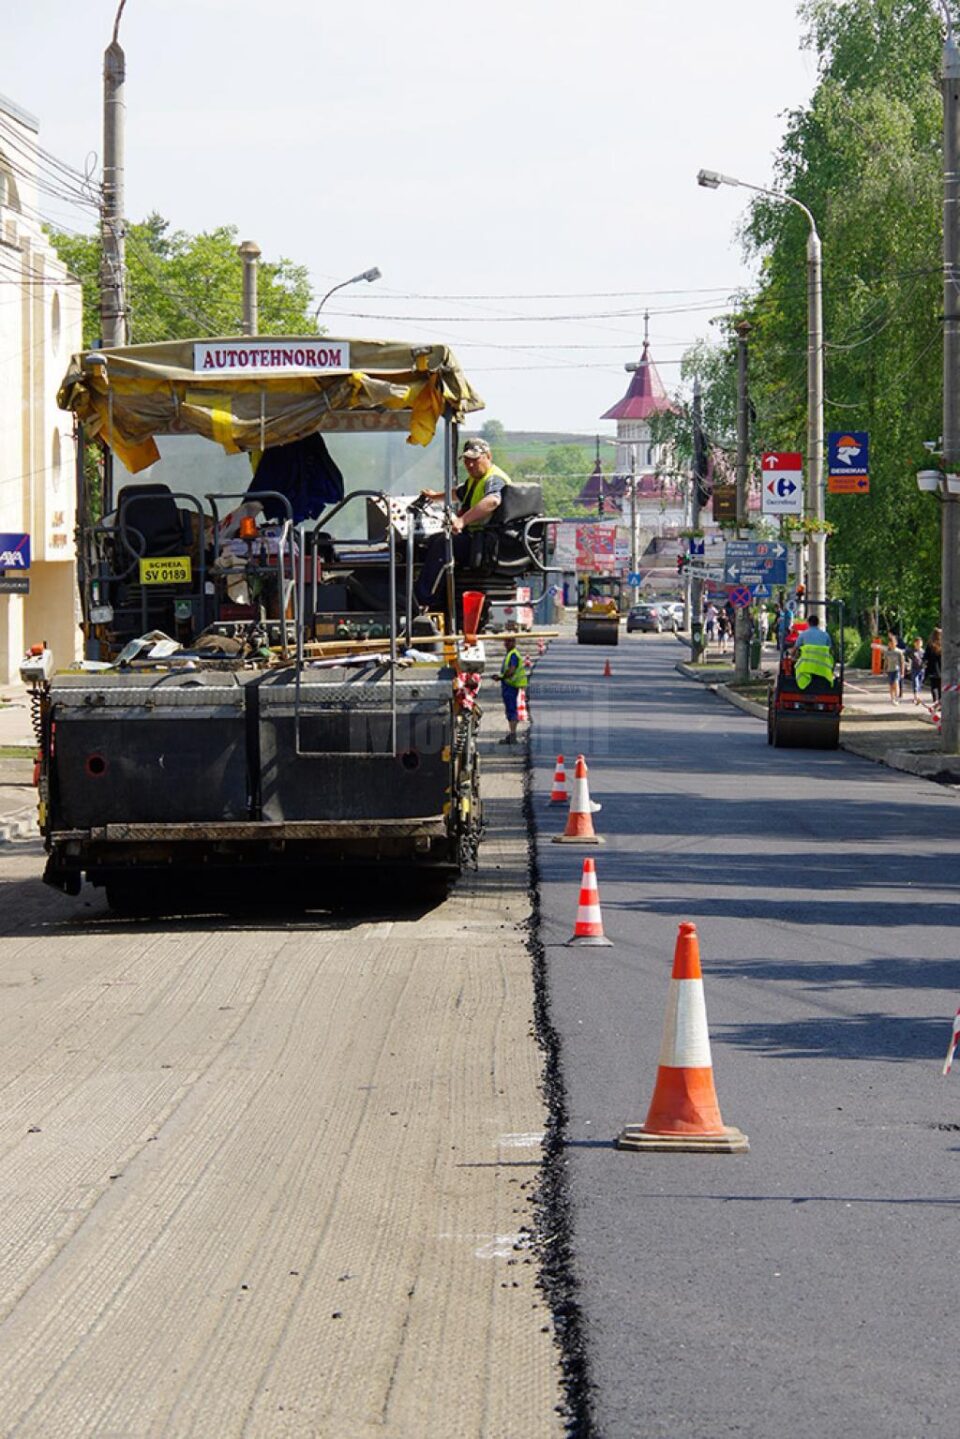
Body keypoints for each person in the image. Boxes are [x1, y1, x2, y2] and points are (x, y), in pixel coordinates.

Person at [413, 438, 512, 609]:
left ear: (488, 456)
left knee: (443, 544)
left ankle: (422, 599)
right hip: (476, 539)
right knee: (428, 542)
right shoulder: (475, 480)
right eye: (467, 460)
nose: (470, 465)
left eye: (475, 459)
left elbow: (493, 500)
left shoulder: (494, 479)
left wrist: (462, 520)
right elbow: (458, 493)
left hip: (487, 544)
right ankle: (436, 598)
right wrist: (434, 496)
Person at [792, 611, 835, 690]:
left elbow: (794, 650)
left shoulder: (803, 634)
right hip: (823, 669)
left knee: (794, 666)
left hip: (806, 668)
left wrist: (792, 656)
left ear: (808, 623)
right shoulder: (825, 635)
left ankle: (801, 685)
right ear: (818, 623)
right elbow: (831, 652)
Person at [498, 636, 528, 744]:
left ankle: (513, 735)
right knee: (510, 710)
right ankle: (512, 734)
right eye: (506, 641)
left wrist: (501, 677)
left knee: (511, 710)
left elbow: (511, 670)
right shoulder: (510, 654)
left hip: (511, 685)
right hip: (508, 685)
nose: (507, 643)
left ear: (514, 642)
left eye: (509, 641)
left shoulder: (513, 654)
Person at [883, 632, 904, 705]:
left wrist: (902, 672)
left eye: (893, 643)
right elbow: (885, 661)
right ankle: (892, 699)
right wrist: (884, 669)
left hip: (896, 670)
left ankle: (897, 697)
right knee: (891, 685)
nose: (891, 644)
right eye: (890, 643)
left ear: (896, 643)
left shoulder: (899, 652)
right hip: (889, 670)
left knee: (896, 683)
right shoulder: (887, 652)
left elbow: (902, 662)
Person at [924, 627, 942, 706]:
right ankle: (941, 703)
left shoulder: (930, 645)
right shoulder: (943, 645)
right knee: (942, 687)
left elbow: (925, 657)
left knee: (934, 687)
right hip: (942, 669)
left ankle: (935, 700)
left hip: (932, 669)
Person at [908, 636, 926, 706]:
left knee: (920, 683)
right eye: (917, 643)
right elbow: (906, 656)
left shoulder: (923, 652)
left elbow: (926, 660)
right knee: (915, 683)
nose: (919, 644)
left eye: (920, 643)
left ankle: (917, 696)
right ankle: (916, 697)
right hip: (914, 669)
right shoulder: (912, 651)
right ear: (914, 643)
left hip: (922, 670)